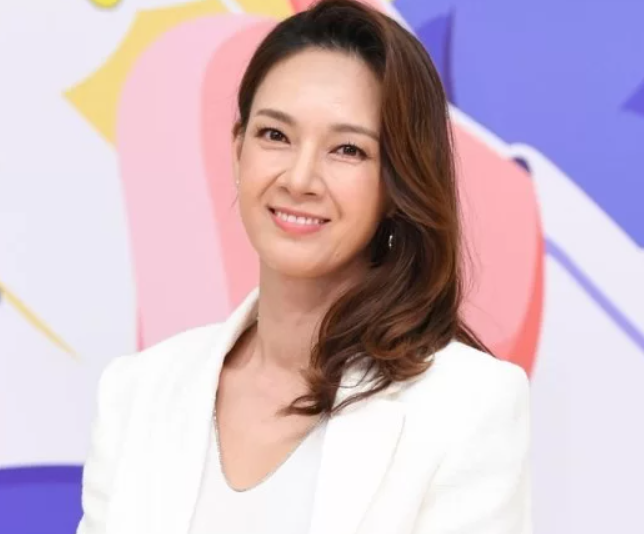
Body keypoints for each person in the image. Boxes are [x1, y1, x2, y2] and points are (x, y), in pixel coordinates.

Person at [76, 0, 531, 533]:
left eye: (347, 149)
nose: (299, 178)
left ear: (397, 182)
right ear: (238, 149)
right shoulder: (137, 392)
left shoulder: (468, 403)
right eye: (275, 135)